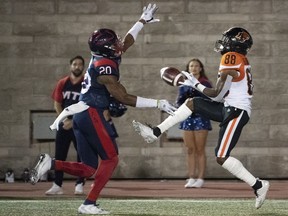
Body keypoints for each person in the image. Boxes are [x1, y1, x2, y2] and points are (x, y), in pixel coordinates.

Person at [30, 3, 176, 215]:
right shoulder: (105, 69)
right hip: (91, 113)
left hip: (82, 113)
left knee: (89, 168)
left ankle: (50, 163)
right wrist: (158, 103)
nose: (119, 43)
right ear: (107, 48)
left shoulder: (106, 55)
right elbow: (123, 97)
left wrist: (142, 21)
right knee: (111, 159)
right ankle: (88, 203)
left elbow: (126, 42)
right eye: (114, 42)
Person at [133, 27, 270, 209]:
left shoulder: (231, 57)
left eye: (227, 39)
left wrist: (194, 83)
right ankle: (155, 132)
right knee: (192, 103)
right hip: (229, 107)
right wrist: (195, 85)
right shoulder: (239, 59)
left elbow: (215, 95)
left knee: (221, 157)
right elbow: (220, 97)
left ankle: (259, 185)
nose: (224, 42)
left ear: (235, 43)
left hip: (237, 111)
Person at [46, 55, 86, 195]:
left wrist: (74, 121)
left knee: (82, 155)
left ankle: (80, 184)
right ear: (70, 66)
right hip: (64, 124)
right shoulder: (63, 83)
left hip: (79, 125)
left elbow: (87, 106)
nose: (77, 66)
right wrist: (64, 120)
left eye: (80, 64)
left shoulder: (86, 84)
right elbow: (57, 103)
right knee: (59, 155)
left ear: (83, 67)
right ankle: (57, 184)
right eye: (74, 64)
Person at [176, 59, 212, 188]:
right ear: (188, 68)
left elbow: (210, 100)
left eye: (196, 66)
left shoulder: (205, 83)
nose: (194, 68)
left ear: (201, 68)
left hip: (201, 118)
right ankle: (191, 177)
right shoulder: (183, 84)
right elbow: (179, 102)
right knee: (190, 150)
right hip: (187, 118)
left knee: (200, 150)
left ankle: (200, 178)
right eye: (191, 66)